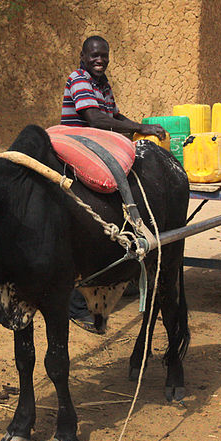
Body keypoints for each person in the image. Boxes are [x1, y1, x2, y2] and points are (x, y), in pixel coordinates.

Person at [61, 36, 166, 334]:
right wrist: (139, 128)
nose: (100, 59)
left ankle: (128, 272)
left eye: (104, 55)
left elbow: (113, 116)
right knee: (82, 221)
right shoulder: (78, 79)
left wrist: (139, 127)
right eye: (94, 55)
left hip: (97, 146)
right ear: (82, 56)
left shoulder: (102, 83)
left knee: (129, 191)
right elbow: (94, 119)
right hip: (77, 147)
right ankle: (76, 304)